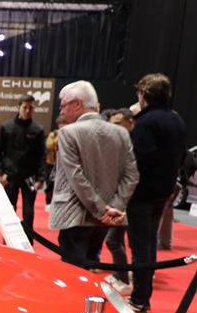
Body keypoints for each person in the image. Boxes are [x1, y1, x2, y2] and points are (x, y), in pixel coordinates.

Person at [49, 81, 138, 268]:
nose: (62, 111)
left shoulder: (68, 133)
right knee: (90, 271)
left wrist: (102, 210)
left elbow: (76, 177)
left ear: (77, 104)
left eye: (63, 105)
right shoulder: (121, 133)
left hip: (75, 217)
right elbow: (132, 176)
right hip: (105, 220)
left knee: (72, 273)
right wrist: (114, 207)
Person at [126, 73, 189, 313]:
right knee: (150, 244)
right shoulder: (176, 119)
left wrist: (127, 189)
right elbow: (183, 156)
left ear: (144, 94)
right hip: (164, 192)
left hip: (143, 194)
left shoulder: (146, 122)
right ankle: (144, 296)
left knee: (141, 247)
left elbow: (140, 160)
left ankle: (140, 299)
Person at [0, 94, 47, 243]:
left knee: (28, 213)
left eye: (31, 107)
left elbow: (42, 156)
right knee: (9, 211)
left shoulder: (38, 129)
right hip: (10, 176)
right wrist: (0, 173)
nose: (28, 110)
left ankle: (28, 244)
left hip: (30, 177)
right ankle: (7, 241)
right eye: (25, 107)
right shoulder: (6, 127)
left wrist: (41, 177)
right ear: (18, 108)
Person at [103, 108, 137, 294]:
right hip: (120, 201)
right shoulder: (121, 144)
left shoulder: (132, 145)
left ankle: (124, 279)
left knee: (114, 240)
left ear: (130, 123)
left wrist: (119, 202)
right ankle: (119, 275)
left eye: (118, 124)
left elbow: (131, 177)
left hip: (128, 202)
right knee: (117, 240)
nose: (113, 128)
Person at [45, 115, 67, 209]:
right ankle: (48, 201)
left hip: (63, 163)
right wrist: (58, 136)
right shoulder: (53, 134)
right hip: (51, 162)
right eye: (60, 124)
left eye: (63, 124)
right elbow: (49, 146)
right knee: (49, 182)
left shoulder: (69, 134)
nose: (61, 126)